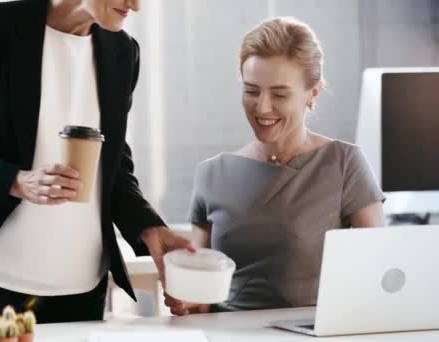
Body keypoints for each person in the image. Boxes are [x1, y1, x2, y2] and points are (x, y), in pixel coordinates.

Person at [0, 0, 194, 328]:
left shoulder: (122, 51)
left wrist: (149, 227)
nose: (135, 6)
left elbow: (112, 168)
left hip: (81, 284)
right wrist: (18, 181)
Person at [164, 17, 385, 315]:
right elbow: (201, 294)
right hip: (228, 334)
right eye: (251, 91)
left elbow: (377, 275)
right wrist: (188, 298)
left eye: (279, 94)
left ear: (313, 94)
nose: (262, 107)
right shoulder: (212, 174)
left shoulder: (344, 164)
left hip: (314, 333)